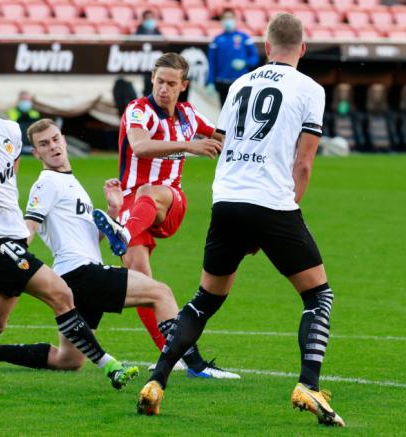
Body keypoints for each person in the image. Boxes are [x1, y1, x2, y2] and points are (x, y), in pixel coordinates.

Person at [136, 13, 346, 428]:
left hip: (227, 199)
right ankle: (308, 383)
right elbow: (303, 164)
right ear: (301, 49)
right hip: (270, 201)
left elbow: (221, 142)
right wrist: (285, 210)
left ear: (266, 48)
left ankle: (156, 381)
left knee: (205, 299)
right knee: (318, 296)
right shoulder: (311, 89)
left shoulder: (239, 85)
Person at [0, 119, 238, 380]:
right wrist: (5, 268)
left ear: (64, 140)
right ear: (37, 154)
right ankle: (195, 365)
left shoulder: (69, 182)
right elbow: (27, 227)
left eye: (55, 140)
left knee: (68, 359)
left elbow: (90, 239)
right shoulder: (47, 182)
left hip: (75, 277)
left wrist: (114, 211)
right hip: (80, 274)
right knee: (160, 293)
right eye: (44, 144)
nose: (52, 146)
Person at [0, 65, 139, 391]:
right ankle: (111, 367)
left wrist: (13, 252)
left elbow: (10, 181)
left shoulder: (10, 130)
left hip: (11, 242)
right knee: (62, 294)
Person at [92, 53, 224, 359]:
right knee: (143, 283)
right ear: (152, 79)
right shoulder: (137, 111)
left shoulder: (190, 115)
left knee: (150, 190)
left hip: (169, 203)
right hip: (131, 206)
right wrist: (189, 145)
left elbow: (222, 138)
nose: (163, 88)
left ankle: (121, 234)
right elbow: (139, 145)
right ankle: (176, 355)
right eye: (159, 81)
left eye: (171, 83)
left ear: (183, 86)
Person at [207, 9, 260, 106]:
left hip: (240, 82)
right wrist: (210, 81)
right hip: (222, 83)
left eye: (230, 18)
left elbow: (255, 57)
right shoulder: (216, 40)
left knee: (240, 112)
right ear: (221, 21)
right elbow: (211, 62)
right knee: (225, 111)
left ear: (235, 19)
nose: (228, 21)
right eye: (225, 18)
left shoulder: (244, 38)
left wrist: (245, 62)